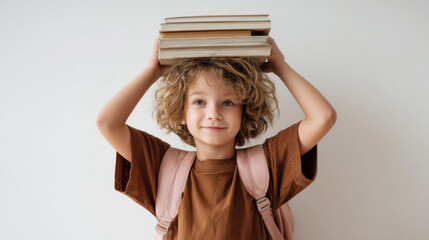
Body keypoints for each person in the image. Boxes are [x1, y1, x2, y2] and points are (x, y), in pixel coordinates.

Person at [96, 35, 336, 239]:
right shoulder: (162, 167)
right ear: (181, 112)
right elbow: (107, 123)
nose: (214, 114)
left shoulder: (267, 163)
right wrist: (153, 71)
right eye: (199, 101)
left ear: (244, 113)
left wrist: (280, 65)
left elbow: (323, 117)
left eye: (228, 102)